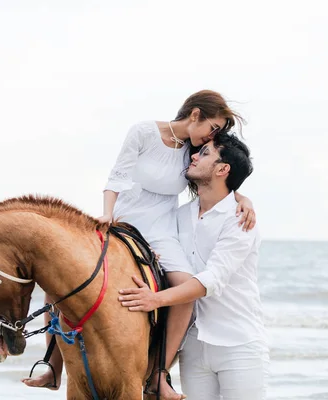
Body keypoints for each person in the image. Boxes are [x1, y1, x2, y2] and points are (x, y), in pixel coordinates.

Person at [22, 90, 256, 399]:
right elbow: (116, 176)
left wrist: (242, 197)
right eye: (213, 127)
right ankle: (53, 365)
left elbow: (214, 181)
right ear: (196, 114)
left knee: (184, 291)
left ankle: (159, 373)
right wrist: (107, 213)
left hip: (161, 228)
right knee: (61, 273)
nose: (213, 135)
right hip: (123, 219)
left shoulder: (193, 151)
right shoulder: (144, 131)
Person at [119, 134, 269, 399]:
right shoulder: (179, 215)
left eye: (206, 153)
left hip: (239, 343)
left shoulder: (239, 221)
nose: (194, 156)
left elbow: (212, 280)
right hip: (193, 344)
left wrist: (155, 299)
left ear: (223, 169)